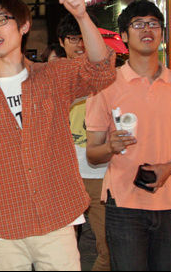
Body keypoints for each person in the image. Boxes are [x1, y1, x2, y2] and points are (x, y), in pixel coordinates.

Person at [0, 0, 116, 271]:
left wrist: (82, 16)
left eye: (1, 20)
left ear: (24, 26)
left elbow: (101, 69)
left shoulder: (52, 76)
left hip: (56, 221)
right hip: (3, 229)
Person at [85, 0, 171, 271]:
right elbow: (92, 153)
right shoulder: (106, 85)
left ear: (162, 33)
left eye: (153, 23)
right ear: (125, 36)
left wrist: (170, 168)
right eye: (138, 24)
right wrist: (110, 146)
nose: (147, 29)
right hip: (123, 204)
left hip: (170, 204)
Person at [57, 13, 110, 271]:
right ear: (62, 42)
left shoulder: (108, 77)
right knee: (61, 256)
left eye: (84, 38)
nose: (80, 44)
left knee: (108, 250)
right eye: (73, 38)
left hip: (100, 175)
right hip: (63, 176)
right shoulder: (51, 79)